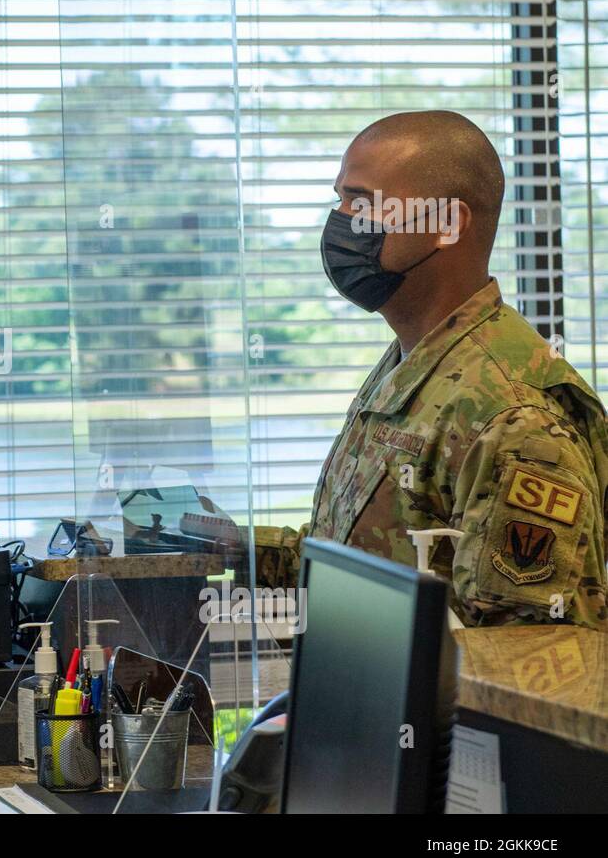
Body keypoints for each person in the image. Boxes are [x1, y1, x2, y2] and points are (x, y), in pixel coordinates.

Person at [256, 111, 608, 630]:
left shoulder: (512, 418)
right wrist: (229, 551)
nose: (341, 222)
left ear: (446, 224)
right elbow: (372, 563)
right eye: (341, 200)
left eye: (364, 203)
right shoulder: (420, 360)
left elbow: (534, 661)